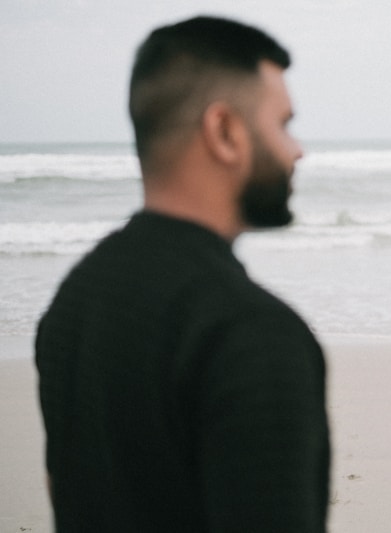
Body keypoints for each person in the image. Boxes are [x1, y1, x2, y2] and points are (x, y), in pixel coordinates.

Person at [35, 16, 329, 532]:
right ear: (225, 132)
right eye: (282, 124)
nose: (297, 149)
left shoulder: (74, 303)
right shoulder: (252, 334)